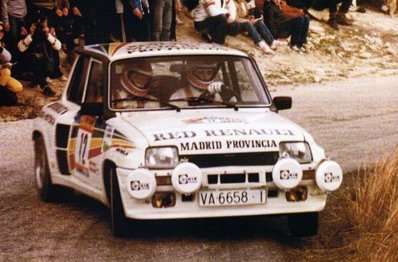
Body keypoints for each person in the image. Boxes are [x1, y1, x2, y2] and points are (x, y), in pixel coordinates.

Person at [17, 14, 61, 96]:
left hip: (46, 61)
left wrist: (48, 35)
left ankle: (36, 80)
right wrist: (30, 34)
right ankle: (44, 86)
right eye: (37, 25)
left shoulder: (49, 31)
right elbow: (21, 48)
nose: (40, 27)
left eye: (42, 25)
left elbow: (58, 47)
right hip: (30, 61)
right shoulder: (28, 31)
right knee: (34, 58)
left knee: (42, 59)